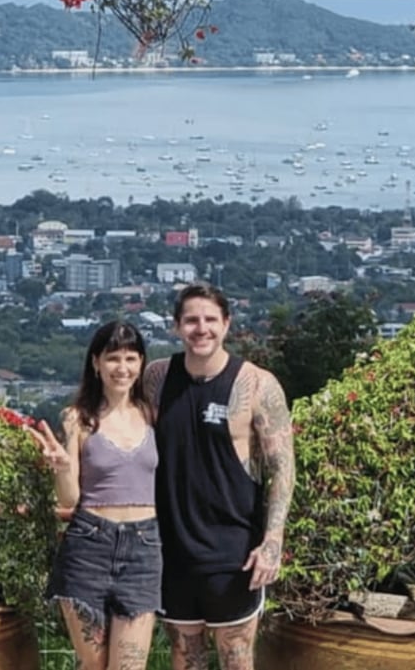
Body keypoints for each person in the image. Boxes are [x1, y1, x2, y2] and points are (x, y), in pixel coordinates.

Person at [143, 282, 295, 670]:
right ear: (177, 326)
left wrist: (272, 540)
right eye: (191, 320)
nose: (201, 329)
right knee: (185, 657)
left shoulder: (257, 384)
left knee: (236, 658)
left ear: (226, 324)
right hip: (172, 550)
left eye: (210, 320)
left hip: (233, 552)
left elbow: (282, 468)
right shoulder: (156, 379)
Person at [30, 320, 161, 670]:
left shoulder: (153, 416)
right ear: (96, 363)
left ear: (141, 363)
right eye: (113, 358)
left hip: (144, 548)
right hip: (88, 546)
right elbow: (69, 500)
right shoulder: (78, 419)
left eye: (131, 358)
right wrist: (61, 467)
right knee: (94, 664)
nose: (122, 368)